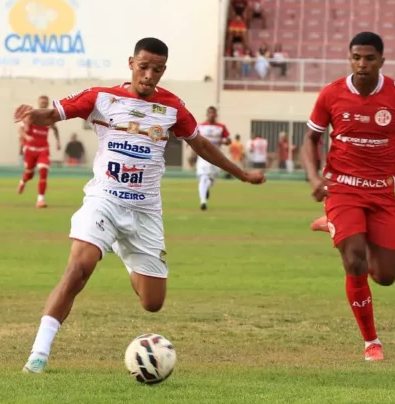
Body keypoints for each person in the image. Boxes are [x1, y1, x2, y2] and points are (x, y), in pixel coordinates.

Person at [15, 37, 266, 374]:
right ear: (131, 62)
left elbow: (201, 145)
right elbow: (54, 114)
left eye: (157, 70)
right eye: (144, 67)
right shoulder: (101, 97)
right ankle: (38, 354)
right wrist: (35, 115)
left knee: (152, 303)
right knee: (78, 270)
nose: (149, 75)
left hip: (146, 212)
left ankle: (123, 250)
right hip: (103, 200)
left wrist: (241, 173)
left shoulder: (173, 107)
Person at [301, 31, 395, 361]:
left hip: (381, 192)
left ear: (382, 60)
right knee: (354, 261)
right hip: (342, 187)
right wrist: (313, 177)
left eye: (368, 58)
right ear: (349, 59)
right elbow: (310, 139)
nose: (361, 64)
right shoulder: (332, 94)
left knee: (385, 276)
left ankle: (335, 227)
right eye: (356, 57)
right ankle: (371, 342)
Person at [17, 95, 61, 208]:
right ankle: (23, 181)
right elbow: (21, 130)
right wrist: (26, 137)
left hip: (43, 149)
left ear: (47, 104)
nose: (43, 104)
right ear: (39, 103)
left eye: (45, 103)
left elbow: (55, 128)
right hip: (30, 149)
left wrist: (58, 141)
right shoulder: (31, 115)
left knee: (43, 171)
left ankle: (40, 199)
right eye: (42, 102)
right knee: (30, 174)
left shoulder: (49, 117)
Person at [194, 106, 231, 211]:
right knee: (203, 177)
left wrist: (223, 141)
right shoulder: (200, 126)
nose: (212, 115)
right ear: (207, 114)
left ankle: (206, 188)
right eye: (210, 113)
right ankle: (203, 201)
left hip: (216, 156)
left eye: (213, 113)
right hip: (203, 156)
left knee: (212, 180)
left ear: (216, 114)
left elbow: (229, 140)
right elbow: (194, 139)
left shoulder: (221, 127)